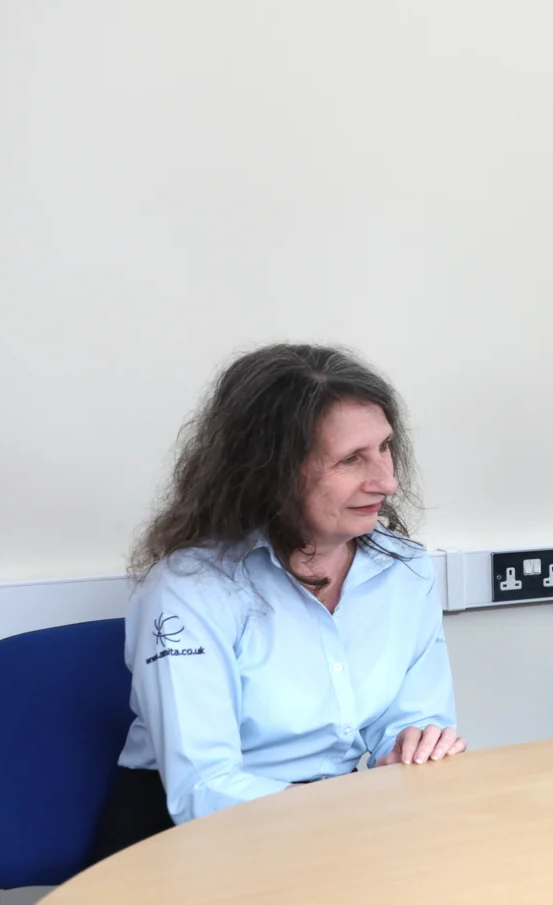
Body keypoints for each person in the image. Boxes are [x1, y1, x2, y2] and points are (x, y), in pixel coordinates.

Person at [96, 345, 463, 857]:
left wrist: (414, 745)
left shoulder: (403, 567)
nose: (386, 480)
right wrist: (346, 824)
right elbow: (204, 786)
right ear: (273, 470)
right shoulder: (189, 589)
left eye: (385, 447)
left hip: (332, 822)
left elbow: (412, 721)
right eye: (350, 459)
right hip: (193, 840)